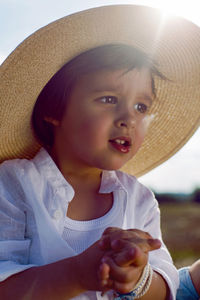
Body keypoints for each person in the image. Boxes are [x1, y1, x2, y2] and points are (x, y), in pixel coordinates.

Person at [0, 4, 199, 300]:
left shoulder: (138, 198)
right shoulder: (15, 183)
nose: (128, 118)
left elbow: (164, 287)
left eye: (141, 107)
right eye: (108, 98)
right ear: (53, 110)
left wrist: (137, 277)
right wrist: (79, 273)